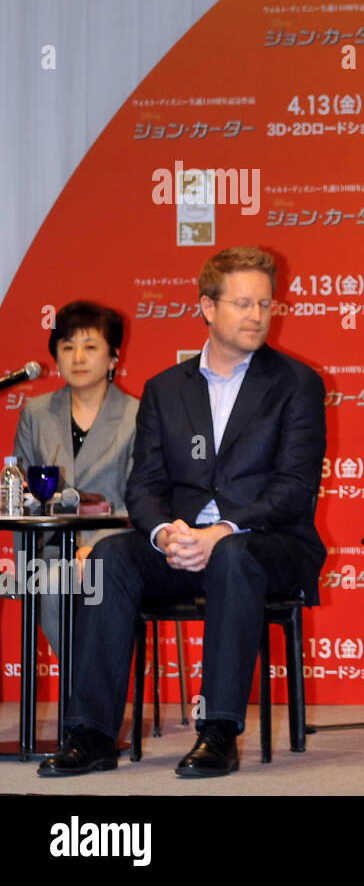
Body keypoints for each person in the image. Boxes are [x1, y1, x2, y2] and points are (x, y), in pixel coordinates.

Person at [39, 246, 326, 778]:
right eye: (243, 304)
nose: (257, 316)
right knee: (109, 558)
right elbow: (143, 486)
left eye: (265, 304)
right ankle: (93, 733)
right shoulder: (165, 390)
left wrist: (220, 529)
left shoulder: (296, 385)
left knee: (234, 556)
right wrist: (167, 532)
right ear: (207, 307)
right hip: (184, 539)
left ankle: (218, 730)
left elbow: (292, 490)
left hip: (270, 542)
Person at [10, 301, 138, 653]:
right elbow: (20, 493)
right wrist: (25, 566)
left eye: (90, 346)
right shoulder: (36, 413)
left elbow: (139, 500)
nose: (78, 357)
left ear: (113, 357)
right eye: (67, 347)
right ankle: (84, 693)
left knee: (83, 581)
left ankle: (82, 697)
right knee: (49, 581)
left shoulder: (135, 417)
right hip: (50, 549)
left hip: (113, 551)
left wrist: (96, 547)